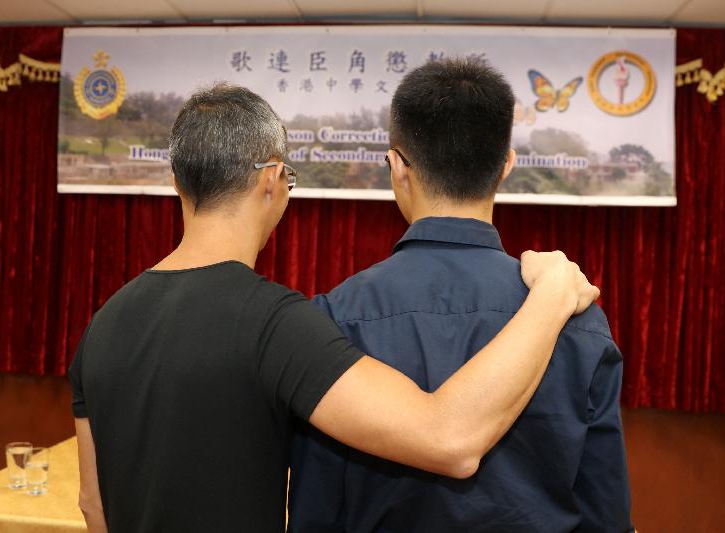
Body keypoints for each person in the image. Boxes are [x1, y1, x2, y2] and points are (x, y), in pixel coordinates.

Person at [68, 83, 600, 533]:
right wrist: (550, 298)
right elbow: (450, 438)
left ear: (177, 182)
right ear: (272, 179)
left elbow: (94, 505)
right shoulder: (273, 324)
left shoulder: (103, 325)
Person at [288, 59, 633, 532]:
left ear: (395, 165)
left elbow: (317, 510)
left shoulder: (333, 319)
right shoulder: (577, 319)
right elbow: (605, 514)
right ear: (507, 164)